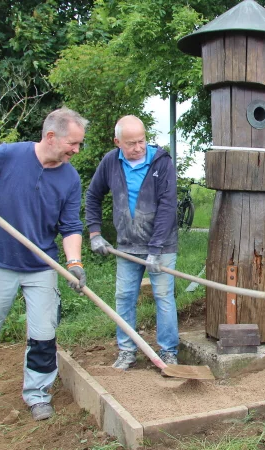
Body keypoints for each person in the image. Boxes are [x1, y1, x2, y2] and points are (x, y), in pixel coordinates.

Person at [0, 107, 89, 421]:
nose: (77, 150)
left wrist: (74, 263)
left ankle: (38, 395)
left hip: (42, 266)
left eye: (80, 144)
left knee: (44, 334)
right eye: (74, 143)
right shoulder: (8, 156)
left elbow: (70, 227)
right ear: (51, 136)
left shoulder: (70, 177)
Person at [86, 115, 179, 369]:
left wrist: (156, 249)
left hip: (161, 246)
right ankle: (127, 350)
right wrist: (95, 233)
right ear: (118, 142)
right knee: (125, 297)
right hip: (127, 244)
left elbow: (168, 206)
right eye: (131, 143)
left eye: (142, 141)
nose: (138, 148)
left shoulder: (162, 162)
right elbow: (93, 195)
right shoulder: (110, 163)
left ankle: (168, 351)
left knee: (163, 296)